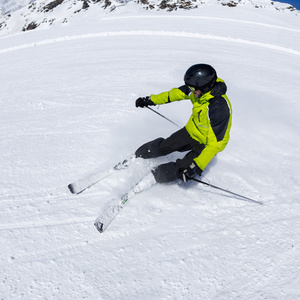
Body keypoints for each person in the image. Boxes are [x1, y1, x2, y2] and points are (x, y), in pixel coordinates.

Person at [135, 63, 232, 184]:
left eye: (192, 89)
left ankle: (155, 177)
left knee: (182, 168)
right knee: (165, 146)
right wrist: (151, 100)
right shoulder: (198, 90)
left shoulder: (218, 107)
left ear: (205, 87)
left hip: (206, 144)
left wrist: (197, 166)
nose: (190, 91)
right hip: (191, 131)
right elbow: (174, 94)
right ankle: (138, 155)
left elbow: (215, 144)